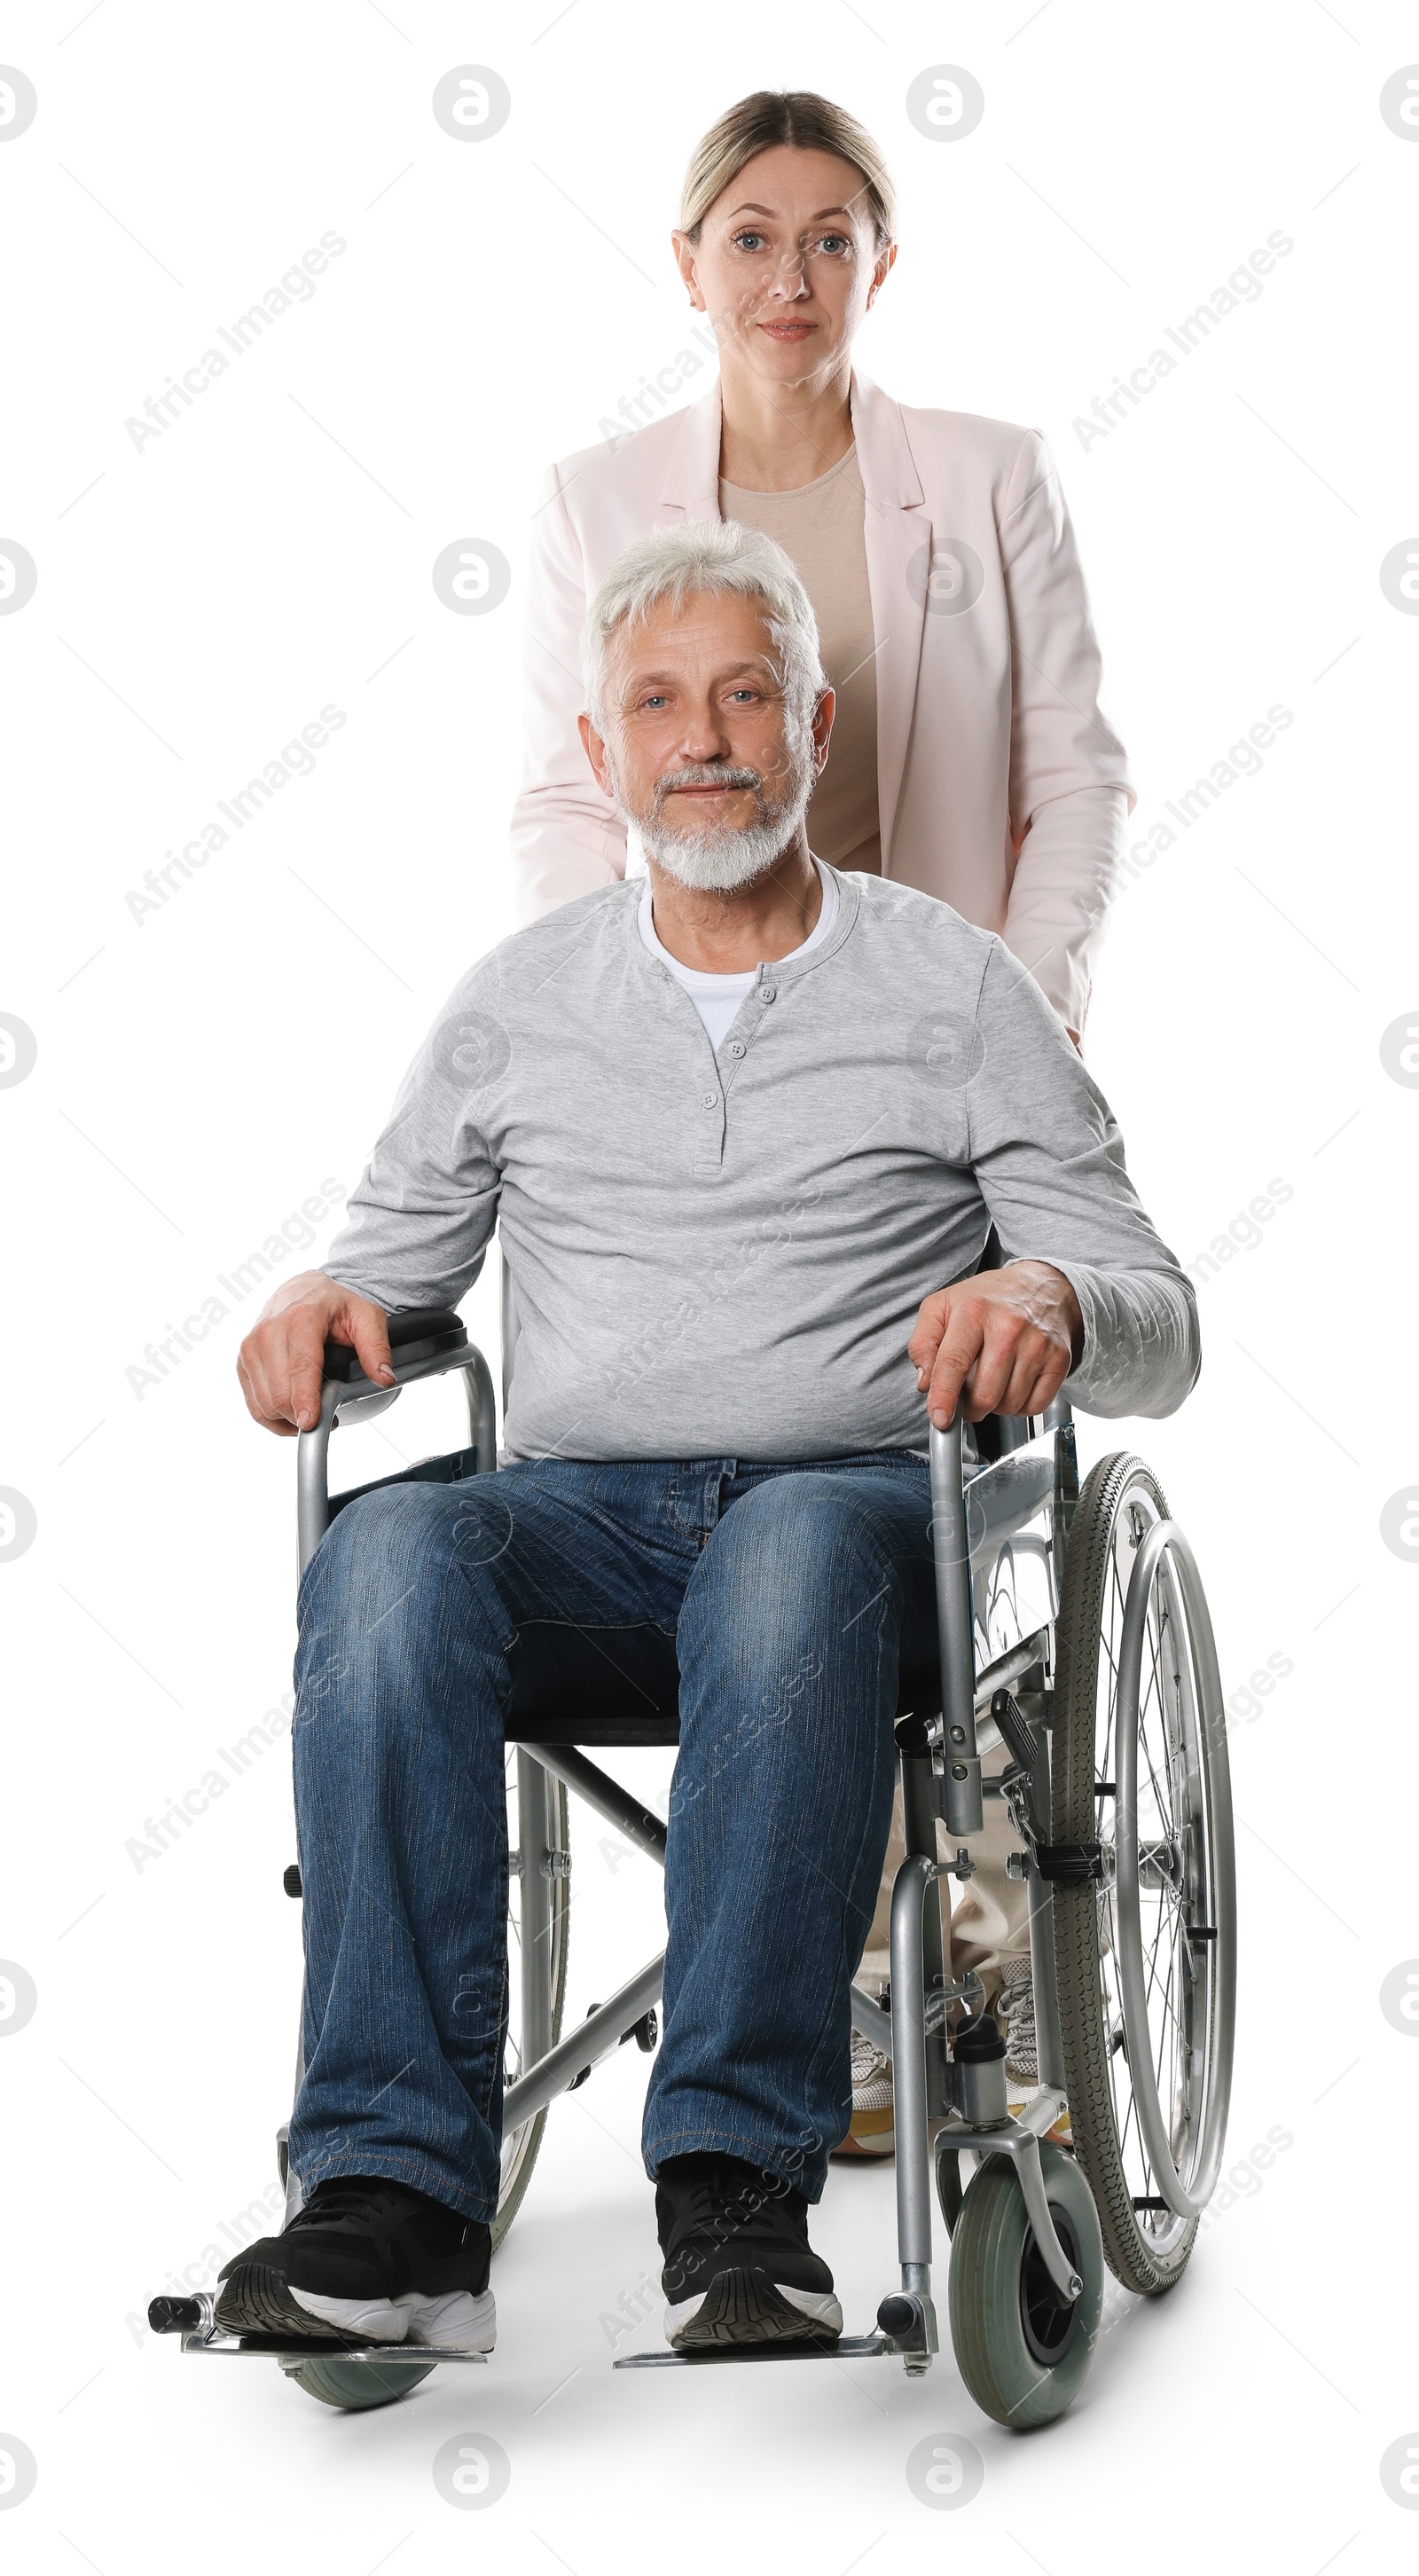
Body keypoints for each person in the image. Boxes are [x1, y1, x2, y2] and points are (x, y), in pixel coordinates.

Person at [217, 526, 1194, 2358]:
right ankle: (392, 2197)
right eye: (656, 703)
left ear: (812, 727)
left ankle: (736, 2180)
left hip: (868, 1518)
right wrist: (317, 1307)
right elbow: (384, 1276)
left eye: (744, 694)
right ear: (600, 755)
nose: (703, 738)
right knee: (390, 1549)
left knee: (785, 1555)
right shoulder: (514, 1004)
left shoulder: (952, 985)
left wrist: (1052, 1297)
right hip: (583, 1530)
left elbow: (1156, 1309)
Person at [512, 90, 1134, 2148]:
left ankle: (915, 1978)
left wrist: (997, 1017)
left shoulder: (980, 477)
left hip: (930, 1064)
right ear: (685, 263)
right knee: (740, 1460)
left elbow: (1074, 779)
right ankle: (822, 1997)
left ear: (879, 262)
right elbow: (551, 786)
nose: (790, 277)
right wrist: (613, 1017)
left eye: (830, 238)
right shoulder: (599, 495)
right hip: (688, 1065)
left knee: (907, 1481)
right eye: (751, 237)